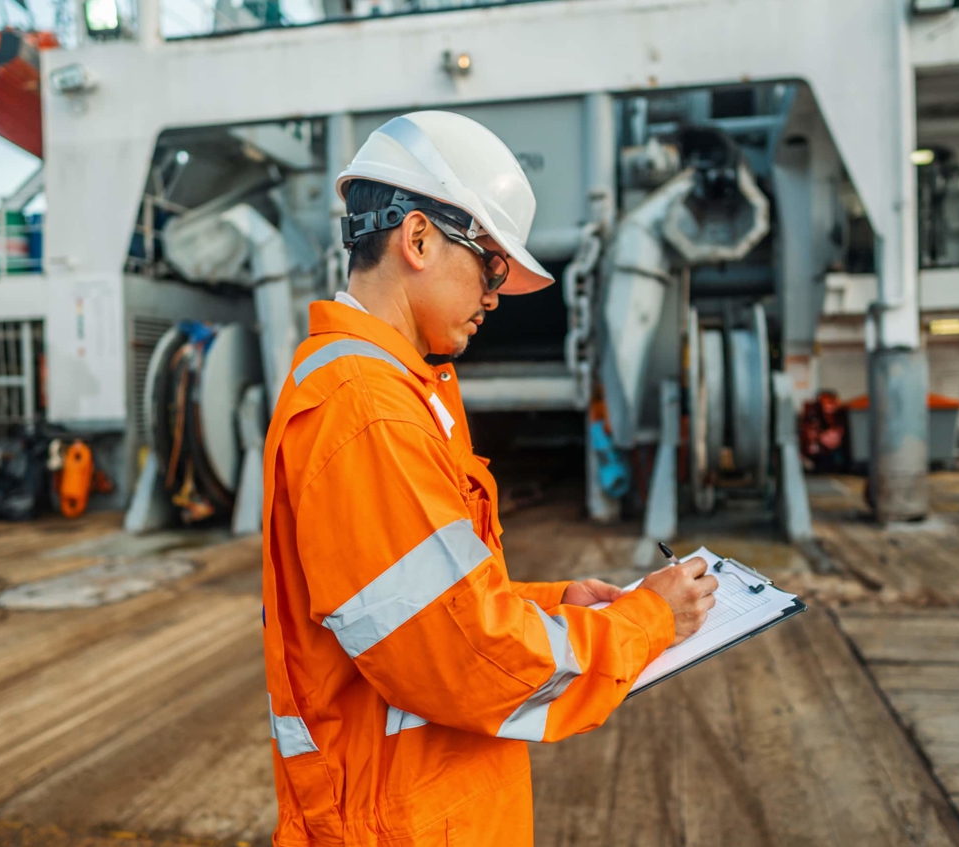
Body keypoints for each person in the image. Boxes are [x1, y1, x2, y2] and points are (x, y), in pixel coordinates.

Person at [261, 110, 718, 846]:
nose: (495, 296)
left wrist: (555, 602)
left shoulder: (392, 391)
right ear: (417, 239)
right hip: (402, 824)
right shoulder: (368, 412)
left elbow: (423, 608)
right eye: (491, 266)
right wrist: (647, 621)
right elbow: (465, 659)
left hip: (420, 805)